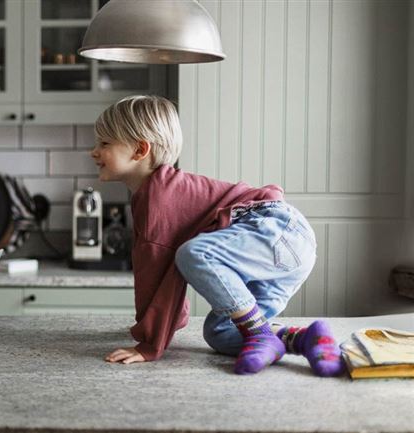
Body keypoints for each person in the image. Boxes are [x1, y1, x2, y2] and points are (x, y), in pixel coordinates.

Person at [91, 95, 344, 377]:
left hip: (276, 228)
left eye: (104, 143)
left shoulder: (158, 197)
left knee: (194, 253)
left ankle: (260, 333)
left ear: (140, 149)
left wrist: (150, 345)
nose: (94, 152)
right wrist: (164, 326)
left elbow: (155, 274)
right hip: (286, 247)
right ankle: (306, 338)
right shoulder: (151, 195)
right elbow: (162, 274)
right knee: (220, 333)